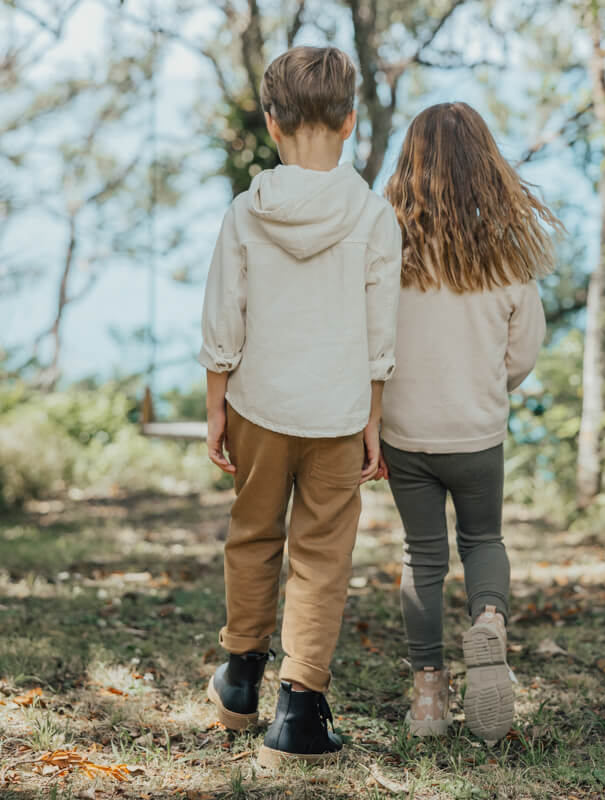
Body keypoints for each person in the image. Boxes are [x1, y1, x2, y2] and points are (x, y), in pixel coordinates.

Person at [198, 45, 402, 766]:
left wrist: (218, 404)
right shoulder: (375, 218)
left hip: (258, 404)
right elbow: (382, 333)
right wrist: (375, 420)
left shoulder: (245, 213)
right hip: (340, 414)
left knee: (253, 535)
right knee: (322, 558)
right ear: (350, 121)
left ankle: (239, 677)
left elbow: (225, 315)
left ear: (271, 121)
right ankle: (300, 712)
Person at [379, 101, 562, 745]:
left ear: (412, 166)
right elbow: (523, 353)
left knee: (422, 556)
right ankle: (488, 619)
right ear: (487, 169)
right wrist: (489, 387)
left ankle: (428, 697)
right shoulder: (506, 257)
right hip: (477, 431)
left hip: (404, 432)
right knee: (484, 541)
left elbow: (369, 340)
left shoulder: (388, 250)